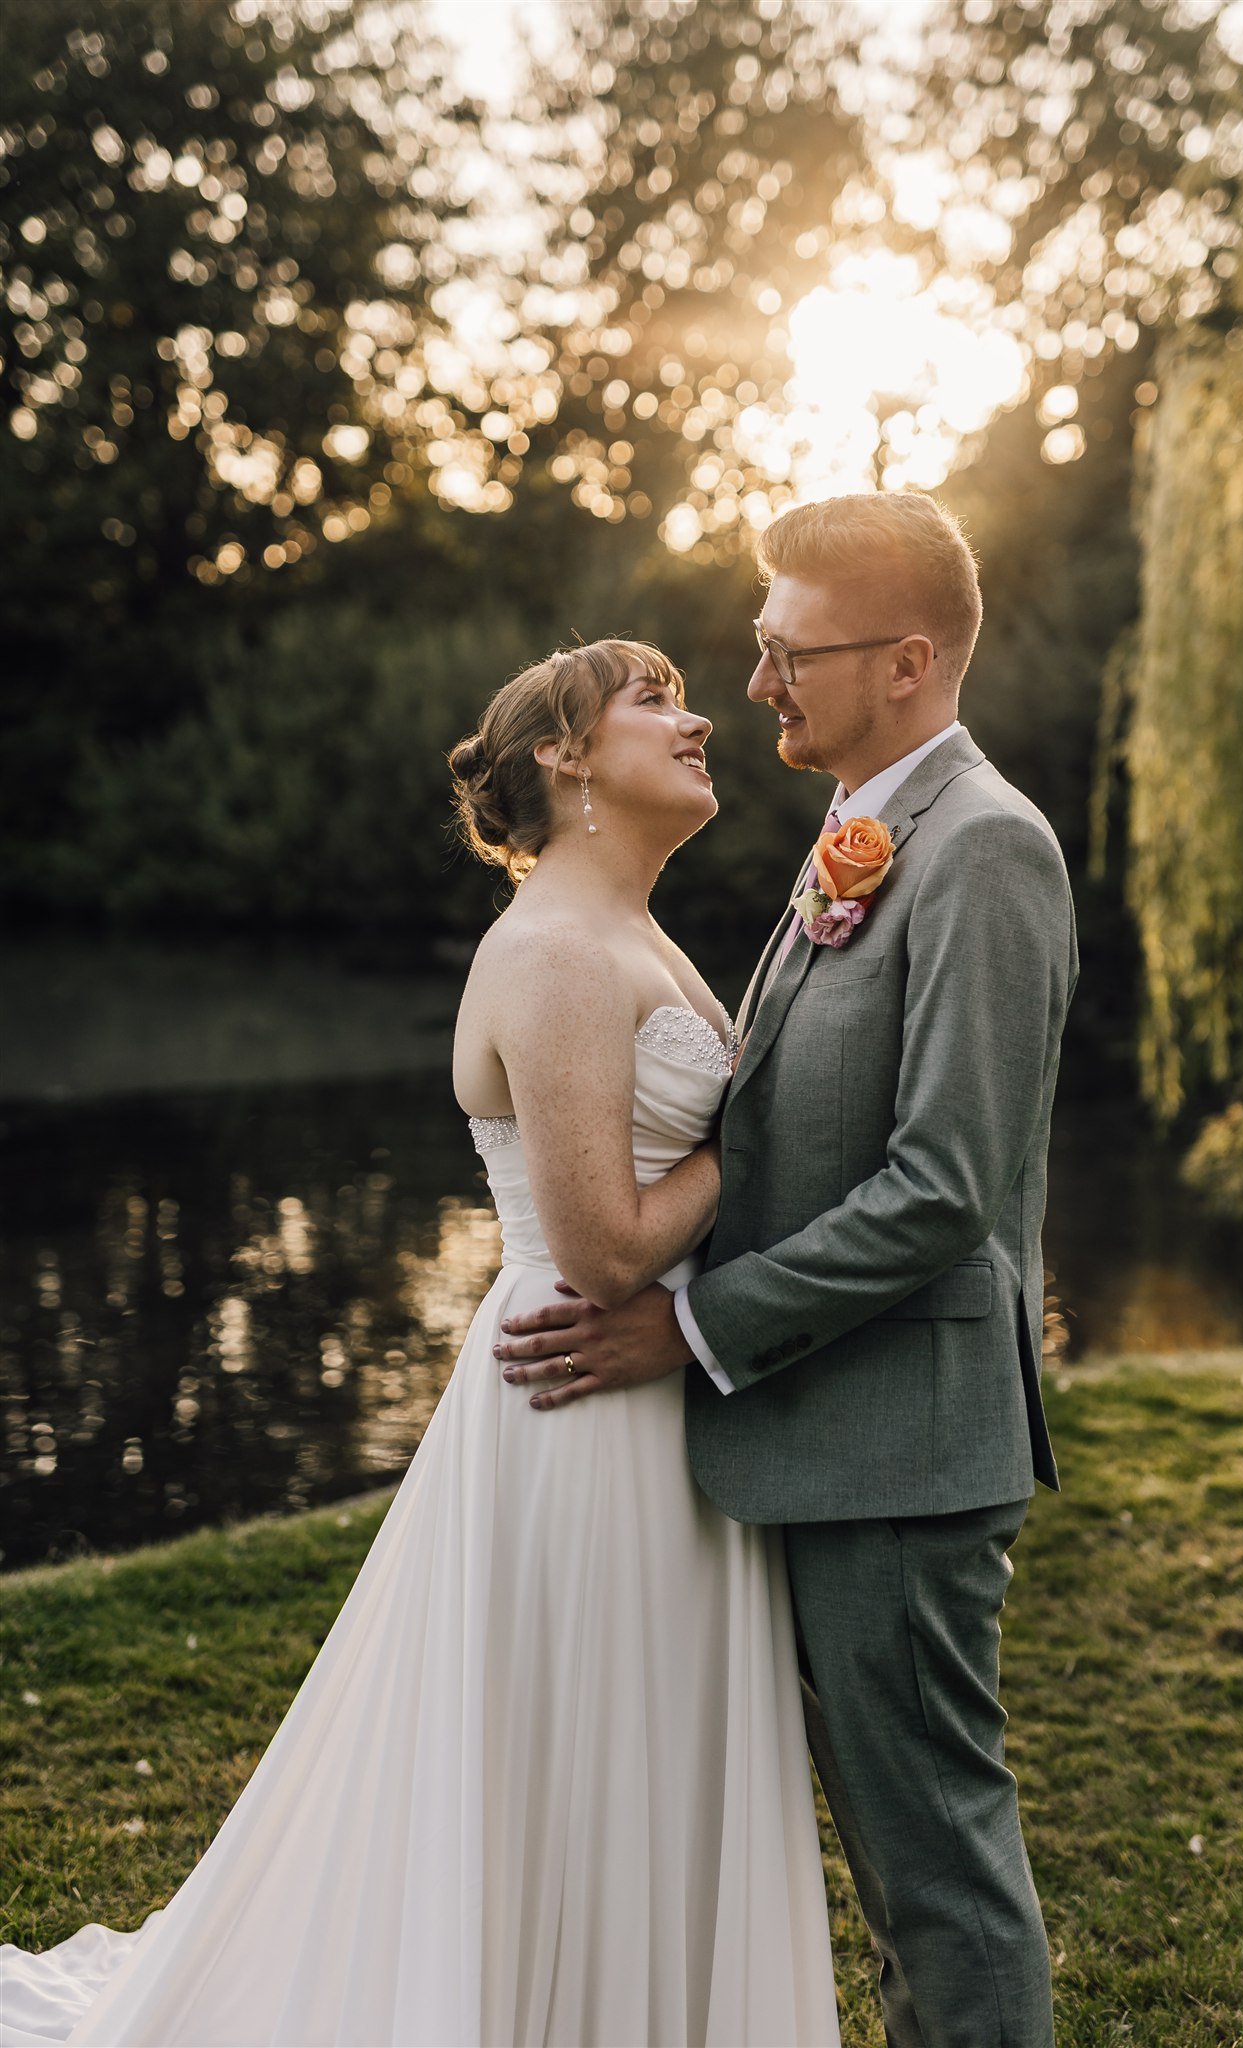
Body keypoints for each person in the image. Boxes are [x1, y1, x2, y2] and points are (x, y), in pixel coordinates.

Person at [0, 639, 839, 2048]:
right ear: (564, 756)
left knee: (626, 1746)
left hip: (638, 1385)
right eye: (653, 698)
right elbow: (605, 1245)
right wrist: (762, 1142)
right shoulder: (561, 953)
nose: (698, 718)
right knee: (577, 1745)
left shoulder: (630, 928)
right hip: (580, 1389)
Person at [497, 493, 1079, 2048]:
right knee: (899, 1871)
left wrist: (686, 1325)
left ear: (901, 661)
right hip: (827, 1438)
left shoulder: (986, 852)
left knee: (934, 1870)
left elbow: (943, 1188)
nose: (751, 684)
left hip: (897, 1444)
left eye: (781, 652)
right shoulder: (857, 835)